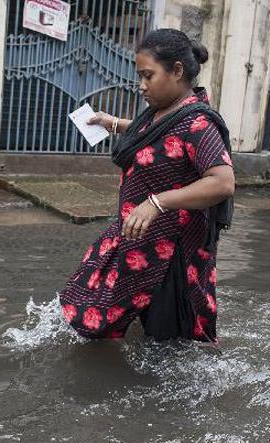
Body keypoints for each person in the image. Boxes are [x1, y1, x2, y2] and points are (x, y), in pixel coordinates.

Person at [59, 29, 235, 344]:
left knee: (168, 349)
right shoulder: (162, 114)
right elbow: (153, 132)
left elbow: (222, 183)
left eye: (148, 76)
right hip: (138, 237)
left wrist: (157, 203)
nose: (141, 85)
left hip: (172, 254)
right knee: (85, 302)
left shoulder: (199, 124)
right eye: (139, 76)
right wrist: (110, 123)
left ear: (177, 71)